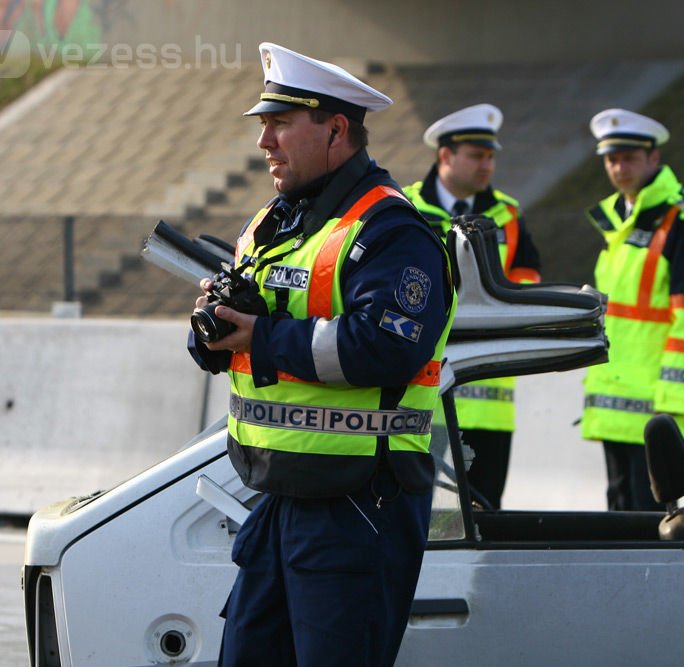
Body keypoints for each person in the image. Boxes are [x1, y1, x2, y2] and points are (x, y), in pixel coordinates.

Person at [188, 42, 456, 666]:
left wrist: (261, 333)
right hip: (280, 501)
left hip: (360, 509)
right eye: (264, 126)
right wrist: (214, 333)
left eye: (280, 124)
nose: (265, 143)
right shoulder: (272, 225)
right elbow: (246, 339)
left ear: (336, 129)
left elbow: (384, 348)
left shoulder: (393, 232)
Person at [580, 109, 684, 511]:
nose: (619, 168)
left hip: (658, 408)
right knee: (620, 521)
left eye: (630, 158)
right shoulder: (620, 223)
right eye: (611, 159)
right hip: (616, 403)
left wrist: (672, 402)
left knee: (649, 527)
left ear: (654, 158)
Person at [403, 103, 541, 510]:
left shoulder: (507, 216)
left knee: (485, 512)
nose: (487, 165)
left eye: (491, 156)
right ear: (445, 155)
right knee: (409, 504)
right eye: (477, 155)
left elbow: (528, 286)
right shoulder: (404, 208)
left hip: (488, 394)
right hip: (422, 389)